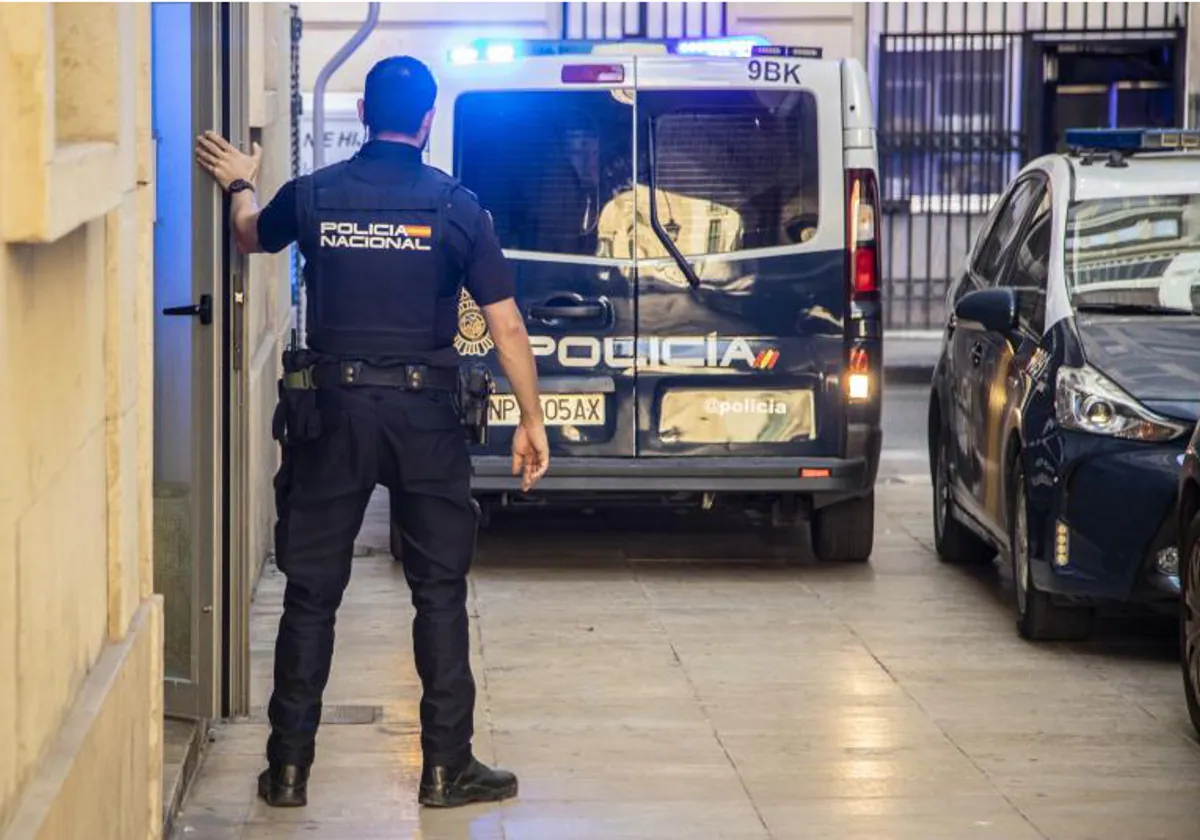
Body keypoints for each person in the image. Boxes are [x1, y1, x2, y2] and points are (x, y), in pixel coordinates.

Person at [195, 55, 550, 809]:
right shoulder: (458, 208)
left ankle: (287, 771)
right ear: (427, 121)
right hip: (425, 419)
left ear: (362, 110)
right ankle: (446, 768)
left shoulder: (317, 195)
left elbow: (250, 236)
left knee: (311, 595)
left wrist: (240, 180)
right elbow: (507, 327)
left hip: (333, 413)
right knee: (439, 592)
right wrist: (532, 417)